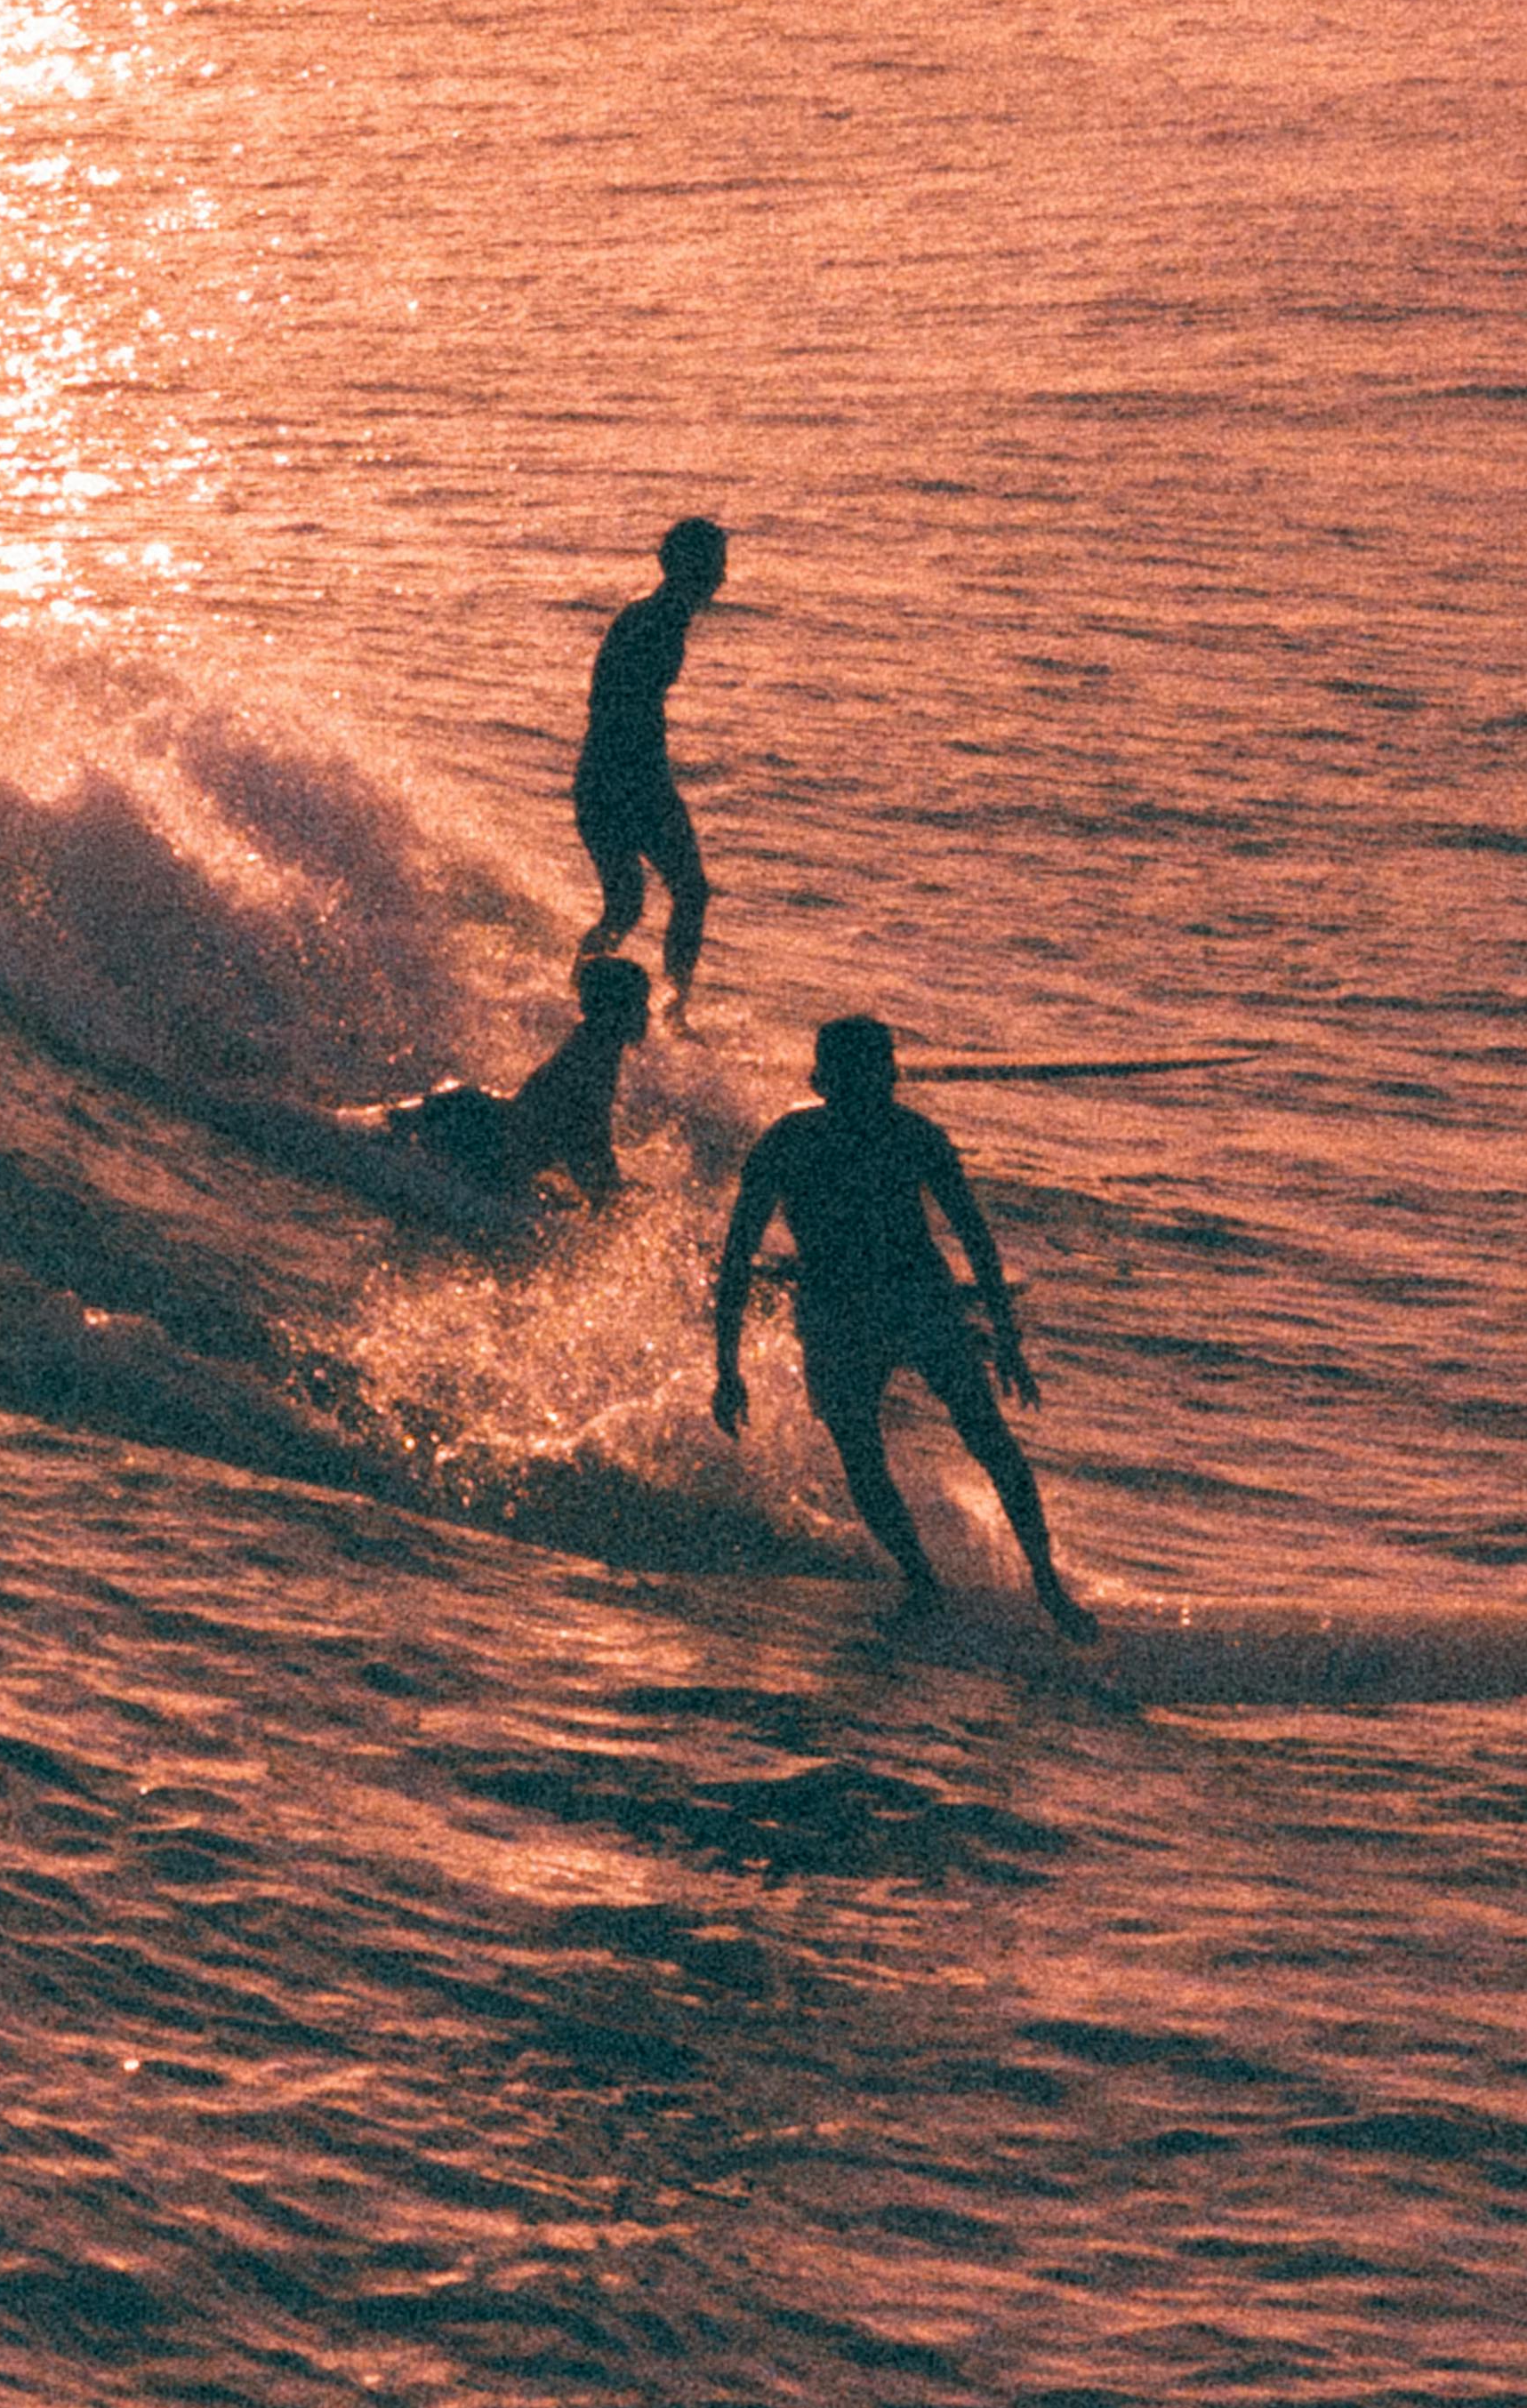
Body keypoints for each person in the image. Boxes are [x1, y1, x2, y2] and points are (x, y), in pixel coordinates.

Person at [711, 1015, 1094, 1630]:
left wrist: (1007, 1339)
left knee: (987, 1439)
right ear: (825, 1079)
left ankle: (1045, 1584)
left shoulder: (912, 1136)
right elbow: (734, 1257)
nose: (878, 1085)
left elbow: (976, 1238)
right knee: (864, 1452)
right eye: (866, 1074)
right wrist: (725, 1369)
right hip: (844, 1309)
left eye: (883, 1073)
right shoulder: (789, 1142)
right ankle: (924, 1582)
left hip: (916, 1297)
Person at [577, 519, 728, 995]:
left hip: (611, 776)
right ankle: (671, 1010)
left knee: (627, 907)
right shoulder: (654, 623)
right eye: (714, 567)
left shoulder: (655, 615)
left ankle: (591, 998)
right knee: (683, 893)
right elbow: (616, 706)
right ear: (689, 568)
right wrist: (644, 783)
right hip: (624, 779)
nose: (722, 579)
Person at [388, 953, 650, 1212]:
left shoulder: (595, 1045)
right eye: (640, 1004)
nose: (647, 1013)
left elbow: (578, 1132)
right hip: (488, 1142)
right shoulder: (592, 1056)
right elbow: (585, 1134)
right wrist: (610, 1198)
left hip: (492, 1128)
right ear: (614, 1008)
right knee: (426, 1116)